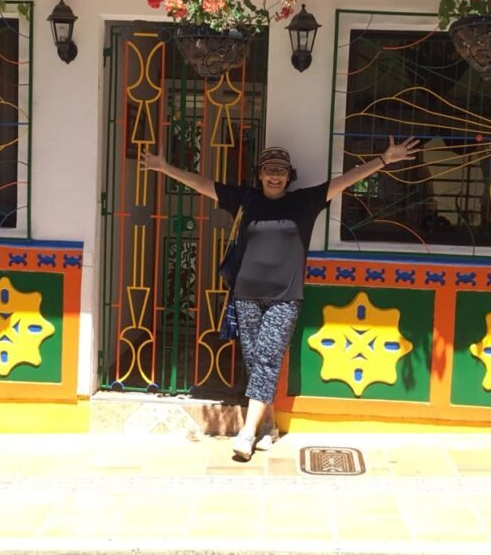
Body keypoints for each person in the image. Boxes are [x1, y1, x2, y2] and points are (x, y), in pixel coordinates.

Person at [141, 137, 419, 460]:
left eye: (281, 171)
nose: (275, 176)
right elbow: (203, 185)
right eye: (269, 170)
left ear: (289, 176)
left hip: (285, 298)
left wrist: (384, 160)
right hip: (246, 296)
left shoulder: (305, 202)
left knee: (267, 359)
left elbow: (346, 180)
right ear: (260, 173)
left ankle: (247, 432)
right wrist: (165, 168)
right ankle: (269, 427)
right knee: (257, 363)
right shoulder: (245, 200)